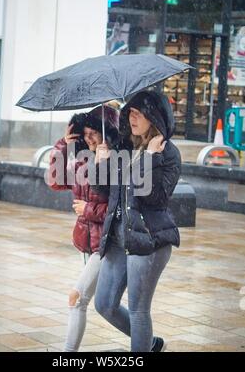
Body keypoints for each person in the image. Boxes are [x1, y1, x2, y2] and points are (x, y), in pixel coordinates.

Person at [46, 104, 164, 352]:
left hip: (106, 243)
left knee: (77, 298)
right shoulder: (81, 162)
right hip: (86, 243)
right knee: (99, 304)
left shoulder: (116, 162)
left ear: (106, 133)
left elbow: (119, 208)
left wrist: (88, 208)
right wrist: (62, 145)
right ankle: (149, 343)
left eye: (94, 133)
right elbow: (56, 182)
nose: (89, 139)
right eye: (85, 134)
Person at [92, 90, 181, 352]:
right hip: (120, 237)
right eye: (130, 112)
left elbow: (154, 197)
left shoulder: (168, 153)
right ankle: (149, 343)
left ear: (154, 117)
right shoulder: (123, 146)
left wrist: (151, 158)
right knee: (104, 304)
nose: (132, 118)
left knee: (138, 310)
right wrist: (100, 163)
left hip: (149, 239)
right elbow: (105, 191)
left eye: (139, 113)